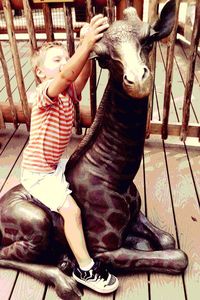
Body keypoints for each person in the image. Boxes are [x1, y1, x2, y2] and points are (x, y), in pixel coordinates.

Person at [21, 15, 119, 294]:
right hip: (39, 173)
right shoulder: (45, 93)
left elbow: (79, 76)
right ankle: (85, 268)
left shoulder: (67, 93)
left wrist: (87, 49)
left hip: (54, 165)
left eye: (66, 57)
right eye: (56, 60)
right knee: (72, 211)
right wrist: (85, 43)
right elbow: (67, 75)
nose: (64, 63)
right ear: (41, 73)